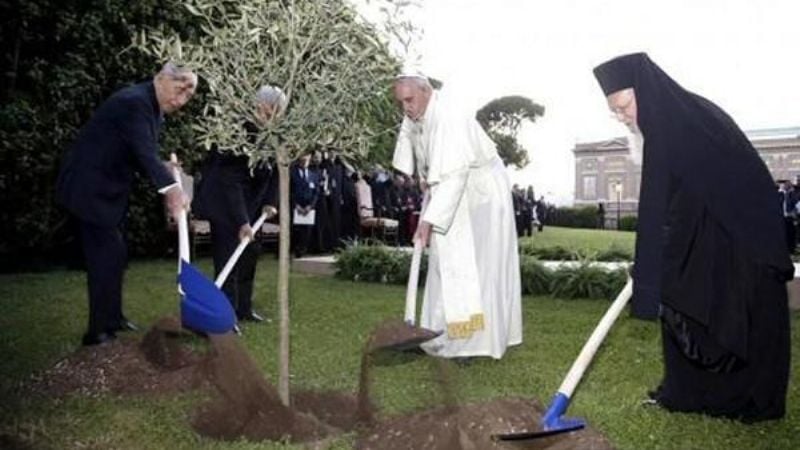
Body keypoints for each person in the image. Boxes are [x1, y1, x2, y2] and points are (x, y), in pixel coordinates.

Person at [594, 52, 792, 421]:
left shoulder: (677, 124)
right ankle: (690, 392)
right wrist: (654, 265)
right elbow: (675, 201)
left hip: (740, 237)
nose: (623, 117)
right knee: (688, 297)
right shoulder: (677, 117)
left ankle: (741, 399)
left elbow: (667, 207)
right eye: (615, 113)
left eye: (624, 106)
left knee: (729, 311)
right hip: (708, 227)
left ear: (645, 92)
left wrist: (652, 269)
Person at [56, 62, 197, 346]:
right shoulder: (135, 103)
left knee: (117, 255)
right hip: (90, 189)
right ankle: (97, 332)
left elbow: (139, 150)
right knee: (104, 257)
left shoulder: (150, 105)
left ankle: (113, 317)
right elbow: (143, 152)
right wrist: (172, 190)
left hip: (108, 190)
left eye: (187, 96)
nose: (180, 101)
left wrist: (167, 170)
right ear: (160, 78)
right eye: (178, 90)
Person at [392, 70, 522, 360]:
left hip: (482, 194)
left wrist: (427, 222)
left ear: (425, 91)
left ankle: (475, 343)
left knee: (478, 267)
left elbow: (455, 174)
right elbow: (425, 157)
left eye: (410, 100)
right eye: (401, 102)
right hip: (453, 190)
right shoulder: (417, 112)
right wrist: (425, 177)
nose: (406, 108)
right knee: (444, 262)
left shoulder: (448, 116)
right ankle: (440, 331)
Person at [192, 85, 285, 324]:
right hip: (225, 204)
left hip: (252, 203)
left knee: (249, 254)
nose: (280, 115)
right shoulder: (238, 133)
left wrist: (269, 202)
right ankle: (226, 315)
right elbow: (231, 180)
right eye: (277, 109)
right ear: (263, 107)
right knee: (228, 258)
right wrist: (242, 220)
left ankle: (244, 308)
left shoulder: (274, 133)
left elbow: (278, 170)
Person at [291, 152, 319, 258]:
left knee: (306, 231)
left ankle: (303, 250)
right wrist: (296, 205)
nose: (305, 160)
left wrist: (311, 206)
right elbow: (290, 191)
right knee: (296, 230)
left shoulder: (313, 175)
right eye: (303, 157)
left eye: (307, 158)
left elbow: (316, 192)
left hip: (308, 207)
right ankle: (295, 250)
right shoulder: (292, 173)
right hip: (296, 206)